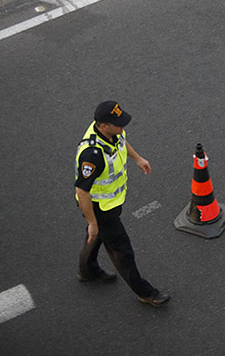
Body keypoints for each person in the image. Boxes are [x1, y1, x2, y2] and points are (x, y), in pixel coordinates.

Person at [75, 101, 170, 307]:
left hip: (111, 204)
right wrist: (92, 221)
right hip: (102, 209)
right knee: (122, 252)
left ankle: (87, 270)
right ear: (103, 126)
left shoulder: (112, 133)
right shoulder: (92, 155)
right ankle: (144, 292)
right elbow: (82, 192)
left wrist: (137, 158)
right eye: (117, 124)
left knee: (97, 234)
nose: (122, 127)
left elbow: (121, 142)